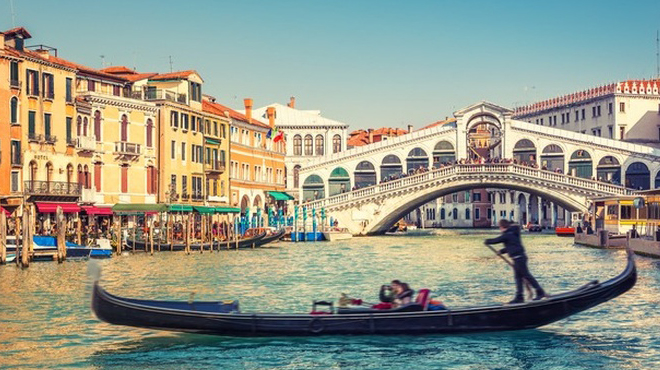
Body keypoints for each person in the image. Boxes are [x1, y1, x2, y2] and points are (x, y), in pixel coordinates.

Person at [485, 219, 546, 304]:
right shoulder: (512, 233)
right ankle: (519, 296)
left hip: (519, 258)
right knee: (519, 278)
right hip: (518, 258)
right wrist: (502, 251)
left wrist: (487, 241)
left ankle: (540, 292)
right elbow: (512, 246)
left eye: (500, 227)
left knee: (526, 276)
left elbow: (497, 240)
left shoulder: (507, 235)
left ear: (502, 227)